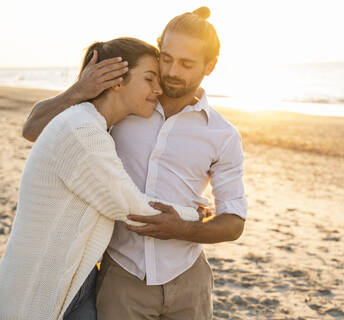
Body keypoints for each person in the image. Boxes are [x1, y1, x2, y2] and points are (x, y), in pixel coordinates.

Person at [22, 6, 247, 320]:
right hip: (121, 276)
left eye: (186, 63)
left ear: (210, 66)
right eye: (166, 58)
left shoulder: (222, 134)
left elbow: (234, 222)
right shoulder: (124, 105)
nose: (171, 72)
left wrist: (182, 227)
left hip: (188, 280)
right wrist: (80, 89)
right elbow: (34, 130)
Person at [0, 37, 202, 320]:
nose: (158, 89)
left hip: (78, 279)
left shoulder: (94, 125)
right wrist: (196, 215)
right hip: (42, 288)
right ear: (116, 81)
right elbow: (132, 209)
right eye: (149, 79)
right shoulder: (83, 131)